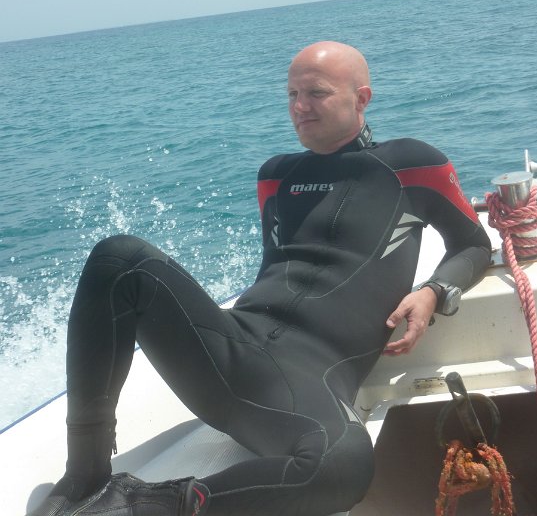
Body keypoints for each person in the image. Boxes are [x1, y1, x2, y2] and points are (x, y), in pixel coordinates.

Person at [28, 41, 492, 516]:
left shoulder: (414, 165)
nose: (300, 106)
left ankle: (152, 504)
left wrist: (433, 292)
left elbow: (475, 244)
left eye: (316, 93)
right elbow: (279, 269)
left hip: (304, 381)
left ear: (361, 98)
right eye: (292, 94)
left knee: (344, 464)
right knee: (120, 258)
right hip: (229, 348)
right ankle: (84, 474)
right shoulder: (276, 175)